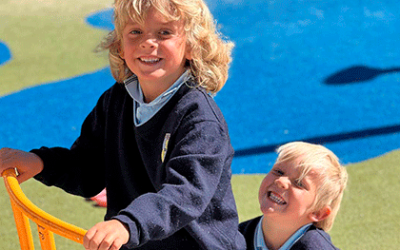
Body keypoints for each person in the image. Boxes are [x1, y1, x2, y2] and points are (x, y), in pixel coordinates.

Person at [0, 0, 246, 249]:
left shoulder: (199, 119)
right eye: (135, 32)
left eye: (164, 33)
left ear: (192, 46)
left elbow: (185, 195)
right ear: (120, 45)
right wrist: (41, 163)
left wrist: (128, 224)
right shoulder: (117, 101)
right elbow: (89, 169)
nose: (147, 42)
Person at [239, 142, 348, 250]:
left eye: (299, 183)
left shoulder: (317, 247)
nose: (281, 181)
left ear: (318, 213)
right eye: (278, 171)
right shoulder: (234, 236)